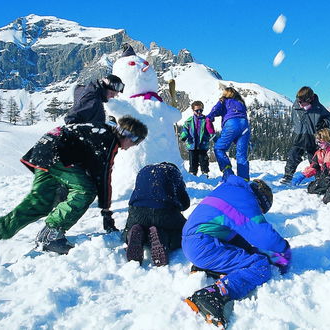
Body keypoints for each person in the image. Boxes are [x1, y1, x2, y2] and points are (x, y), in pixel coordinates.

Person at [0, 115, 148, 267]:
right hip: (57, 154)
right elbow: (103, 176)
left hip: (43, 151)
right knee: (85, 191)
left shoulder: (102, 131)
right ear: (130, 135)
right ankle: (51, 234)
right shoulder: (109, 140)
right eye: (136, 142)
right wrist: (106, 210)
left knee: (40, 202)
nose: (132, 146)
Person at [182, 175, 291, 328]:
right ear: (259, 201)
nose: (258, 212)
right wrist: (284, 251)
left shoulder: (232, 191)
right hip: (203, 246)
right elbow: (263, 235)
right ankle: (212, 295)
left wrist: (251, 250)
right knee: (260, 266)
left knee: (247, 250)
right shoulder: (245, 200)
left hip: (196, 241)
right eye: (260, 210)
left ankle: (207, 267)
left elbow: (240, 234)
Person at [123, 162, 190, 266]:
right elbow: (185, 203)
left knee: (128, 228)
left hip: (138, 211)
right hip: (164, 212)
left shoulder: (144, 170)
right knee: (185, 232)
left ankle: (132, 233)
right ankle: (165, 238)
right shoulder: (174, 172)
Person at [281, 86, 330, 184]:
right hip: (299, 136)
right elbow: (294, 120)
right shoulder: (296, 106)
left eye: (302, 102)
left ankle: (319, 178)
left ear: (310, 99)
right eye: (298, 101)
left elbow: (329, 117)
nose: (299, 104)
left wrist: (324, 123)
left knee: (315, 160)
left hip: (313, 138)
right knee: (293, 157)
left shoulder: (318, 108)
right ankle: (287, 176)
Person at [206, 87, 250, 180]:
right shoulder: (241, 103)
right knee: (241, 154)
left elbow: (215, 110)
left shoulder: (224, 101)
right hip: (245, 125)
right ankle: (244, 180)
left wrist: (209, 117)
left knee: (219, 148)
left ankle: (228, 173)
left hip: (232, 124)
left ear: (225, 94)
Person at [180, 101, 214, 177]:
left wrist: (211, 132)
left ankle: (205, 174)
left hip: (203, 145)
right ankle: (193, 174)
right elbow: (185, 129)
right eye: (197, 110)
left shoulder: (206, 120)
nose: (199, 112)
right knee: (193, 162)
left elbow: (210, 130)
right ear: (193, 110)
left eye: (201, 110)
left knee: (204, 161)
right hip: (192, 145)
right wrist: (183, 136)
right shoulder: (189, 121)